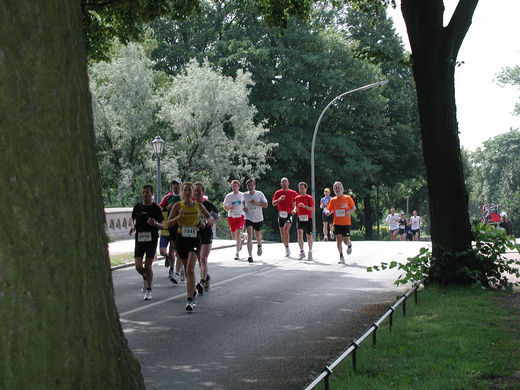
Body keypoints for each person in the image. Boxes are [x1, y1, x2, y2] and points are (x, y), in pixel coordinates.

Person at [167, 182, 212, 311]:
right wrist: (178, 218)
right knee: (187, 271)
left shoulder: (198, 205)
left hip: (194, 239)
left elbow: (209, 218)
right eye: (185, 190)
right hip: (181, 239)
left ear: (193, 193)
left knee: (190, 268)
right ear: (182, 192)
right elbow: (168, 224)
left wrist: (204, 223)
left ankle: (190, 300)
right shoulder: (177, 206)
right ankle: (192, 291)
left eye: (189, 190)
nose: (187, 192)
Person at [129, 184, 164, 300]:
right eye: (143, 192)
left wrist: (155, 224)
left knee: (148, 265)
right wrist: (132, 226)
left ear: (151, 194)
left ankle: (149, 289)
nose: (145, 195)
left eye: (147, 193)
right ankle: (145, 276)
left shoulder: (155, 208)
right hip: (139, 238)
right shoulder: (137, 207)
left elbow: (163, 226)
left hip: (151, 239)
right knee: (138, 266)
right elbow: (132, 218)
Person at [193, 182, 220, 294]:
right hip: (194, 235)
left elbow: (217, 217)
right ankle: (206, 277)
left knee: (203, 258)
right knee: (199, 259)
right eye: (195, 190)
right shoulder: (190, 205)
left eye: (199, 191)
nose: (197, 193)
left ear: (203, 192)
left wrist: (211, 221)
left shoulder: (209, 205)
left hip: (206, 234)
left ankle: (202, 282)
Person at [324, 181, 356, 264]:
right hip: (337, 223)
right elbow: (328, 209)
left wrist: (349, 212)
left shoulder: (348, 198)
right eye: (335, 188)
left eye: (338, 187)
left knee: (345, 241)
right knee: (338, 241)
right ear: (334, 190)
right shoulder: (333, 200)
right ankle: (341, 256)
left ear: (342, 188)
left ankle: (349, 245)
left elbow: (353, 208)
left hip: (346, 224)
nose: (337, 189)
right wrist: (327, 212)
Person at [158, 178, 182, 284]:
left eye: (177, 184)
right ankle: (168, 259)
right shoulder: (168, 197)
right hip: (169, 226)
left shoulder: (184, 196)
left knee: (176, 251)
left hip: (180, 227)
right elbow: (160, 207)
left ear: (180, 185)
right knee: (162, 251)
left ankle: (174, 269)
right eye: (173, 184)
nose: (175, 186)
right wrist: (167, 208)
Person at [243, 178, 268, 263]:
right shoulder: (245, 194)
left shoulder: (259, 194)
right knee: (250, 235)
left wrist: (256, 203)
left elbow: (266, 205)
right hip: (248, 217)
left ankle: (259, 245)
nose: (250, 187)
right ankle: (250, 255)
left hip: (258, 218)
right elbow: (243, 202)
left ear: (254, 185)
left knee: (257, 234)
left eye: (251, 185)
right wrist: (244, 207)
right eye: (248, 186)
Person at [272, 177, 299, 257]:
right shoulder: (278, 193)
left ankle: (287, 248)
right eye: (282, 182)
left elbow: (298, 202)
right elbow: (273, 203)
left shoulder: (293, 193)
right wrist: (279, 199)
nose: (284, 183)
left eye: (285, 182)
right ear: (281, 184)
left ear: (288, 183)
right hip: (281, 214)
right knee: (282, 232)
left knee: (286, 230)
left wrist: (295, 209)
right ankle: (286, 247)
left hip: (289, 214)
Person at [223, 180, 245, 260]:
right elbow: (224, 206)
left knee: (238, 232)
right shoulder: (229, 196)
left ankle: (237, 253)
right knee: (233, 235)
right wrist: (229, 207)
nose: (235, 188)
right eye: (233, 186)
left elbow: (247, 204)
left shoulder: (243, 195)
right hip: (231, 215)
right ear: (232, 187)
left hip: (240, 215)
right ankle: (242, 238)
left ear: (239, 187)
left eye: (236, 186)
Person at [294, 182, 314, 260]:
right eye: (300, 188)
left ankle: (310, 251)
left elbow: (313, 209)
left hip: (308, 218)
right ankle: (302, 252)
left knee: (309, 236)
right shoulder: (297, 198)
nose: (301, 190)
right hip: (300, 218)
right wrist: (294, 210)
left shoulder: (309, 198)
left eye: (302, 188)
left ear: (306, 189)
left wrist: (305, 206)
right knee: (299, 234)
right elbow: (296, 207)